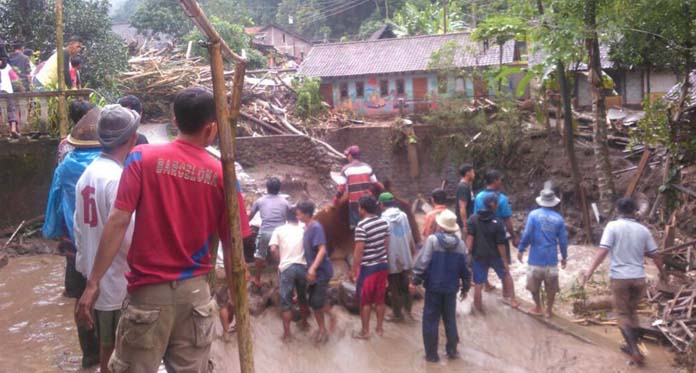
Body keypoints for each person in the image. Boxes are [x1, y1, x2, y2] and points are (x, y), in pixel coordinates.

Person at [76, 87, 252, 372]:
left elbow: (118, 221)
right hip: (195, 296)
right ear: (212, 128)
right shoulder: (223, 174)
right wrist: (235, 297)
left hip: (148, 295)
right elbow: (233, 248)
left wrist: (93, 283)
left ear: (174, 120)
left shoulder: (140, 158)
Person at [73, 105, 139, 373]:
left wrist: (88, 274)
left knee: (106, 346)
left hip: (96, 278)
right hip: (115, 281)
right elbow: (129, 235)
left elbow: (78, 229)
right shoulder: (118, 179)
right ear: (132, 139)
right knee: (118, 352)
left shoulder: (87, 175)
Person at [42, 107, 102, 369]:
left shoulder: (66, 165)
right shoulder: (112, 165)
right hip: (106, 243)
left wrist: (54, 232)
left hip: (75, 242)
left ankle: (89, 355)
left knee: (81, 296)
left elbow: (55, 202)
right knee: (109, 296)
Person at [581, 197, 664, 366]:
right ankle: (631, 345)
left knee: (622, 314)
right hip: (639, 279)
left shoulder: (612, 227)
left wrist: (589, 271)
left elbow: (603, 251)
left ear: (618, 211)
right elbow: (655, 255)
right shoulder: (643, 230)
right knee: (632, 312)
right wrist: (663, 272)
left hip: (620, 278)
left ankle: (634, 351)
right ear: (635, 211)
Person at [410, 209, 470, 363]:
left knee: (430, 319)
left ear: (441, 226)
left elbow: (423, 263)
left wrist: (415, 281)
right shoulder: (461, 245)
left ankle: (431, 355)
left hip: (434, 288)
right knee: (449, 318)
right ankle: (452, 351)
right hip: (451, 289)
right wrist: (466, 287)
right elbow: (465, 268)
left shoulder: (432, 241)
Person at [517, 188, 568, 318]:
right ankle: (549, 310)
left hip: (535, 259)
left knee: (534, 286)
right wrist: (564, 257)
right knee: (551, 288)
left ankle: (538, 307)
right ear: (554, 202)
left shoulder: (533, 215)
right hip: (551, 260)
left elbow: (527, 234)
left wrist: (521, 249)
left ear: (541, 201)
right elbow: (563, 241)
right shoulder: (559, 219)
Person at [467, 193, 519, 312]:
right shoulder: (498, 222)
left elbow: (470, 238)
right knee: (506, 274)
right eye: (496, 203)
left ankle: (478, 307)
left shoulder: (473, 219)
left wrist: (467, 253)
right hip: (495, 256)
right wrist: (505, 261)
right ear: (493, 205)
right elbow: (500, 244)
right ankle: (513, 300)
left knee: (478, 284)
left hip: (479, 256)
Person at [473, 169, 518, 298]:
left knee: (483, 264)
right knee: (504, 267)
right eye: (499, 179)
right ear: (495, 181)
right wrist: (514, 236)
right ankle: (507, 294)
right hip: (499, 237)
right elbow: (507, 221)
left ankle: (485, 286)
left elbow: (476, 217)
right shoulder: (502, 199)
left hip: (482, 238)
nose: (501, 181)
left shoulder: (479, 197)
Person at [351, 195, 390, 339]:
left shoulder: (361, 226)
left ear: (362, 209)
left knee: (365, 302)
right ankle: (379, 329)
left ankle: (365, 332)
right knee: (380, 300)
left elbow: (358, 252)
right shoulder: (384, 223)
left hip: (368, 269)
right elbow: (386, 244)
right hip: (382, 266)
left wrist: (353, 270)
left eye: (359, 207)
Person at [269, 206, 309, 342]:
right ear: (298, 216)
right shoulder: (304, 228)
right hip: (303, 267)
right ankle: (304, 324)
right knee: (303, 298)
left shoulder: (279, 230)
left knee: (286, 303)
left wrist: (279, 259)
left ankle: (287, 335)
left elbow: (273, 248)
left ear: (285, 217)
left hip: (287, 268)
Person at [296, 200, 334, 344]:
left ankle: (328, 322)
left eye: (299, 213)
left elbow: (322, 249)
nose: (297, 216)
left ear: (306, 214)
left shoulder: (316, 227)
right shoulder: (306, 228)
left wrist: (312, 268)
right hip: (313, 272)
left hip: (321, 272)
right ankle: (323, 327)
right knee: (314, 302)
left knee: (316, 302)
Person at [379, 192, 417, 322]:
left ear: (382, 204)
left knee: (394, 286)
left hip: (392, 256)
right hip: (405, 253)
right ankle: (408, 311)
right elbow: (409, 233)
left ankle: (397, 314)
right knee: (406, 283)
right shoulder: (403, 215)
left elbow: (384, 241)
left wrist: (382, 258)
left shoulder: (382, 219)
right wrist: (412, 250)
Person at [249, 177, 290, 288]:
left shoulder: (260, 201)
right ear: (279, 189)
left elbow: (250, 216)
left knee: (259, 254)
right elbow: (288, 219)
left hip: (265, 231)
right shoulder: (285, 202)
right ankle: (283, 280)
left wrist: (243, 226)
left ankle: (257, 279)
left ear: (267, 188)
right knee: (282, 256)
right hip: (280, 233)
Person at [334, 145, 383, 230]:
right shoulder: (368, 167)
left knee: (357, 228)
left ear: (350, 156)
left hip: (355, 204)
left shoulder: (345, 169)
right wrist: (383, 190)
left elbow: (341, 188)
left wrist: (335, 200)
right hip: (369, 203)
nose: (347, 157)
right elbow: (376, 184)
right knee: (372, 226)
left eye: (347, 155)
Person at [0, 53, 20, 137]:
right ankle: (13, 129)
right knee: (12, 109)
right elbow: (15, 78)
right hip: (8, 90)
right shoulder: (7, 66)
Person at [455, 164, 476, 235]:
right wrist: (465, 225)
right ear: (467, 173)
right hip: (465, 223)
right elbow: (462, 207)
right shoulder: (463, 187)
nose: (474, 174)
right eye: (473, 172)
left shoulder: (467, 186)